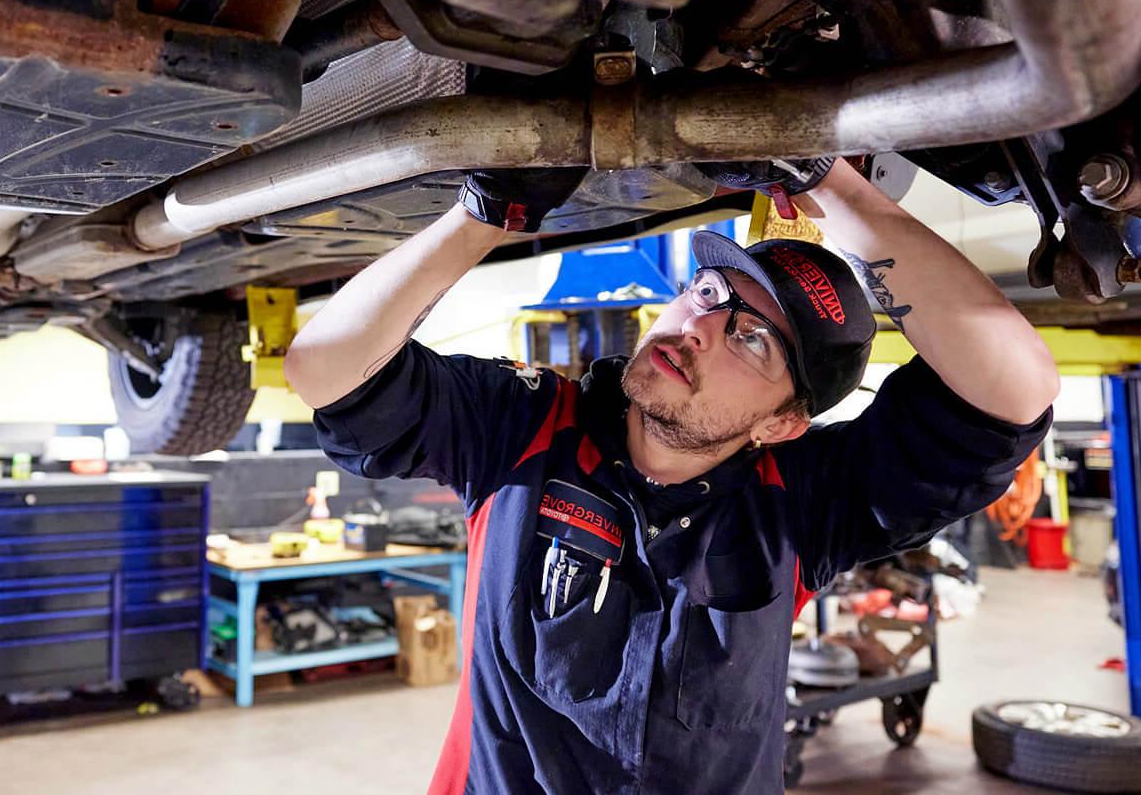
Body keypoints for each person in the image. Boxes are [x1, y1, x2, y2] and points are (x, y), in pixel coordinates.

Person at [282, 158, 1057, 795]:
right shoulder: (524, 430)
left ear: (783, 423)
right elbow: (328, 371)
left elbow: (1012, 390)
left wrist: (833, 186)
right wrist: (484, 214)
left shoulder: (800, 505)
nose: (698, 331)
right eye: (709, 296)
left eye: (752, 342)